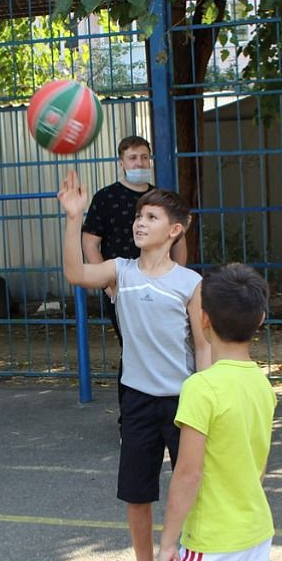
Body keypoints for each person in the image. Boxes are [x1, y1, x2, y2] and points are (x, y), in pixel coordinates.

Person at [58, 170, 210, 561]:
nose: (140, 223)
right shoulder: (119, 272)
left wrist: (203, 398)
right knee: (137, 491)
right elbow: (75, 271)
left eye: (152, 217)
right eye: (139, 216)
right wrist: (74, 218)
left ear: (175, 230)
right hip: (138, 399)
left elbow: (202, 346)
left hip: (184, 400)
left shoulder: (189, 282)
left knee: (193, 487)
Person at [155, 262, 276, 561]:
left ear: (202, 318)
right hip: (253, 526)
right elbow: (255, 461)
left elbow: (188, 474)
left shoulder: (201, 388)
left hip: (213, 537)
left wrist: (168, 541)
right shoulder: (261, 383)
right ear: (259, 320)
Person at [82, 136, 188, 410]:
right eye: (132, 158)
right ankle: (130, 420)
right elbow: (90, 242)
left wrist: (179, 276)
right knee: (134, 350)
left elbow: (180, 242)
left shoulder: (160, 198)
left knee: (167, 346)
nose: (139, 163)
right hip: (123, 286)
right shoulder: (105, 198)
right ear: (121, 162)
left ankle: (173, 415)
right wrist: (108, 285)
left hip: (163, 286)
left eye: (144, 157)